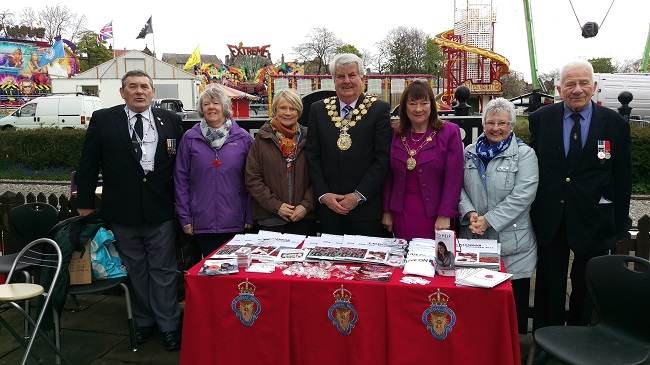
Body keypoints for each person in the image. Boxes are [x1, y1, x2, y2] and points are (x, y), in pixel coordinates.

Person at [528, 60, 632, 364]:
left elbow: (622, 179)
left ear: (594, 86)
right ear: (559, 89)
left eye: (583, 83)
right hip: (551, 217)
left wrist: (617, 226)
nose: (577, 89)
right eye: (570, 84)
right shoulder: (540, 120)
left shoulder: (615, 124)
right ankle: (546, 344)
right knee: (550, 284)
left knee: (587, 285)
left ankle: (579, 344)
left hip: (593, 220)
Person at [76, 70, 184, 351]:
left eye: (144, 87)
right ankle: (143, 321)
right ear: (122, 92)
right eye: (132, 87)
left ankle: (170, 325)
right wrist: (85, 203)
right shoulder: (103, 120)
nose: (139, 91)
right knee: (135, 270)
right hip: (122, 211)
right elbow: (88, 164)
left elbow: (183, 168)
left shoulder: (171, 121)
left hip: (160, 209)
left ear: (153, 92)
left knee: (163, 270)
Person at [457, 97, 538, 335]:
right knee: (476, 308)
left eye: (502, 123)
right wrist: (470, 213)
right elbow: (458, 187)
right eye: (490, 122)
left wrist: (488, 219)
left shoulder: (525, 155)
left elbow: (523, 196)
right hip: (474, 241)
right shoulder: (470, 152)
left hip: (512, 247)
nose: (496, 128)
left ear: (512, 126)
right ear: (483, 124)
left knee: (511, 311)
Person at [306, 53, 391, 236]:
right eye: (340, 76)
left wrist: (358, 196)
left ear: (362, 78)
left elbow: (382, 159)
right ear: (333, 79)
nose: (346, 81)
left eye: (352, 75)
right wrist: (323, 195)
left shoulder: (378, 109)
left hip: (366, 210)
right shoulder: (318, 109)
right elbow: (313, 156)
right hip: (329, 209)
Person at [174, 85, 253, 258]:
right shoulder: (190, 138)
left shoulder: (243, 138)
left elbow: (252, 180)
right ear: (201, 109)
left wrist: (249, 214)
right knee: (209, 273)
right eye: (206, 104)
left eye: (216, 103)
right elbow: (181, 179)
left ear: (224, 107)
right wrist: (185, 218)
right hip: (202, 220)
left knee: (234, 273)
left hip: (235, 220)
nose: (211, 107)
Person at [382, 80, 463, 241]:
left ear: (432, 105)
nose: (418, 109)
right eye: (412, 103)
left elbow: (454, 178)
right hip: (401, 213)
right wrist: (386, 211)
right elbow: (388, 176)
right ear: (404, 107)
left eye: (424, 103)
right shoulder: (395, 134)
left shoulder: (449, 132)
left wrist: (445, 214)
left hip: (436, 216)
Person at [245, 88, 316, 235]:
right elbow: (252, 178)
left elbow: (319, 176)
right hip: (270, 218)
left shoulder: (309, 138)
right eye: (283, 108)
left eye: (292, 108)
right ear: (275, 109)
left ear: (299, 111)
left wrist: (305, 206)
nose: (288, 112)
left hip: (303, 218)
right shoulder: (263, 137)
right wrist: (277, 206)